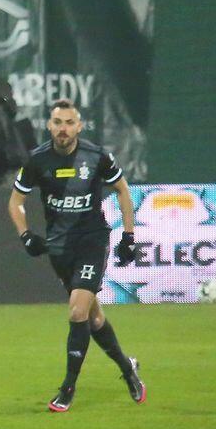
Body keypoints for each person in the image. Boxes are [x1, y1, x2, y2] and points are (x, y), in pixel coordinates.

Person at [8, 99, 146, 412]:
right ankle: (127, 367)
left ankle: (67, 388)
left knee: (77, 311)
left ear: (79, 126)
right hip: (59, 247)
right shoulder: (37, 160)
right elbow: (15, 201)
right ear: (49, 126)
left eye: (69, 123)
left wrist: (128, 236)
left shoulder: (96, 157)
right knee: (93, 317)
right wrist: (25, 234)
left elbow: (123, 189)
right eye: (58, 123)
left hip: (91, 241)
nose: (63, 129)